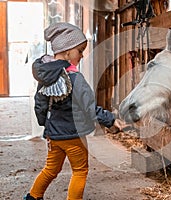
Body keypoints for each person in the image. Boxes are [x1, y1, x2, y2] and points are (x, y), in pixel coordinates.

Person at [24, 22, 126, 200]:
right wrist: (110, 120)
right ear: (68, 51)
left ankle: (33, 197)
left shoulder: (46, 77)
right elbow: (89, 108)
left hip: (54, 135)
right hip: (73, 135)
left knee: (50, 169)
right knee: (80, 171)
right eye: (80, 50)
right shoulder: (75, 78)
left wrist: (47, 125)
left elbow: (39, 104)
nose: (82, 55)